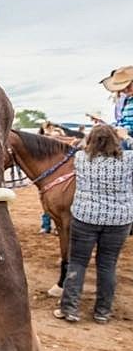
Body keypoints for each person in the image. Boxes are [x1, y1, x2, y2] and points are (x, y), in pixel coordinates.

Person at [56, 124, 132, 324]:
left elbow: (80, 146)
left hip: (86, 218)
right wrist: (127, 137)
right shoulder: (128, 160)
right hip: (118, 220)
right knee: (107, 265)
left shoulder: (80, 159)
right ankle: (102, 312)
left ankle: (69, 309)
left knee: (78, 262)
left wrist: (86, 139)